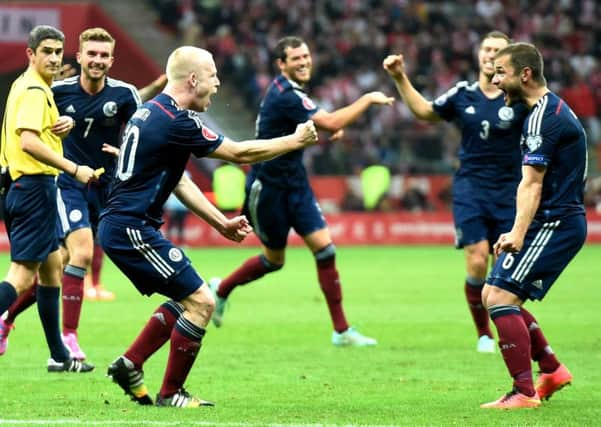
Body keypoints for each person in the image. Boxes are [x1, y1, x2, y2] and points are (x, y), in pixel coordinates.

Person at [99, 45, 317, 407]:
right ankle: (171, 394)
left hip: (126, 226)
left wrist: (219, 222)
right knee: (202, 301)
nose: (218, 84)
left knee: (186, 299)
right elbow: (240, 154)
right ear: (194, 79)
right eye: (213, 75)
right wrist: (295, 140)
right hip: (131, 228)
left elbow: (180, 181)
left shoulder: (151, 112)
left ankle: (130, 363)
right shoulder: (176, 120)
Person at [210, 36, 393, 346]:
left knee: (325, 249)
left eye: (306, 56)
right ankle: (222, 290)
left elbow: (314, 126)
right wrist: (367, 99)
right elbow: (330, 119)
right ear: (281, 64)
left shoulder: (292, 94)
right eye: (296, 58)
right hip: (268, 188)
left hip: (296, 183)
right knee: (274, 261)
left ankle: (341, 331)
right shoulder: (286, 93)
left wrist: (328, 128)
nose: (304, 62)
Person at [0, 28, 167, 359]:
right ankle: (69, 339)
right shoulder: (53, 90)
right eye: (92, 54)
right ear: (80, 57)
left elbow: (140, 132)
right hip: (64, 183)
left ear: (111, 60)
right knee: (81, 252)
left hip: (104, 185)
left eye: (104, 55)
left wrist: (125, 152)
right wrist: (66, 150)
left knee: (53, 266)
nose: (98, 60)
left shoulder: (124, 95)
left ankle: (11, 322)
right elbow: (31, 130)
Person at [383, 31, 530, 353]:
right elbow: (424, 112)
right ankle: (484, 335)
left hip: (510, 190)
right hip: (470, 187)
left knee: (503, 266)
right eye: (487, 49)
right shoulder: (463, 94)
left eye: (498, 51)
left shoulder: (522, 99)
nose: (491, 55)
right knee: (477, 260)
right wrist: (399, 77)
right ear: (478, 55)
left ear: (510, 60)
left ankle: (508, 329)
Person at [479, 42, 587, 409]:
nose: (495, 80)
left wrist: (517, 233)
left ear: (524, 74)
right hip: (553, 221)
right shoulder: (544, 110)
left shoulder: (544, 117)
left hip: (554, 223)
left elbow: (533, 183)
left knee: (500, 299)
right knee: (491, 296)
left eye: (501, 73)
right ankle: (552, 369)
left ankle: (524, 393)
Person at [0, 25, 96, 372]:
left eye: (59, 51)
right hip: (34, 188)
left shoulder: (27, 87)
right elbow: (28, 141)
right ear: (30, 54)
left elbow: (35, 132)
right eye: (47, 52)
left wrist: (62, 124)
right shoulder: (35, 92)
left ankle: (60, 354)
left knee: (53, 269)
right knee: (23, 275)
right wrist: (73, 167)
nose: (55, 58)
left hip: (20, 187)